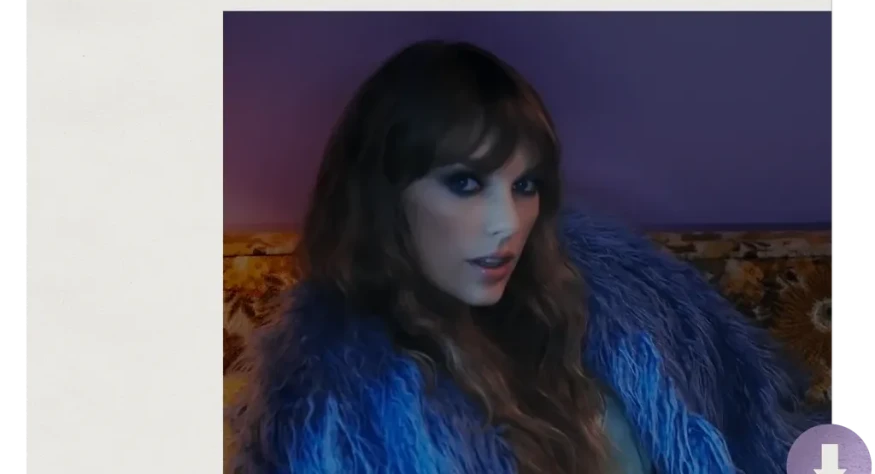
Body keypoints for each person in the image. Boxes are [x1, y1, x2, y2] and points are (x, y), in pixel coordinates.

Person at [228, 41, 830, 474]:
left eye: (525, 185)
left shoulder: (614, 299)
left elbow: (764, 425)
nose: (508, 222)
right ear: (385, 196)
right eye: (466, 183)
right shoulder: (342, 406)